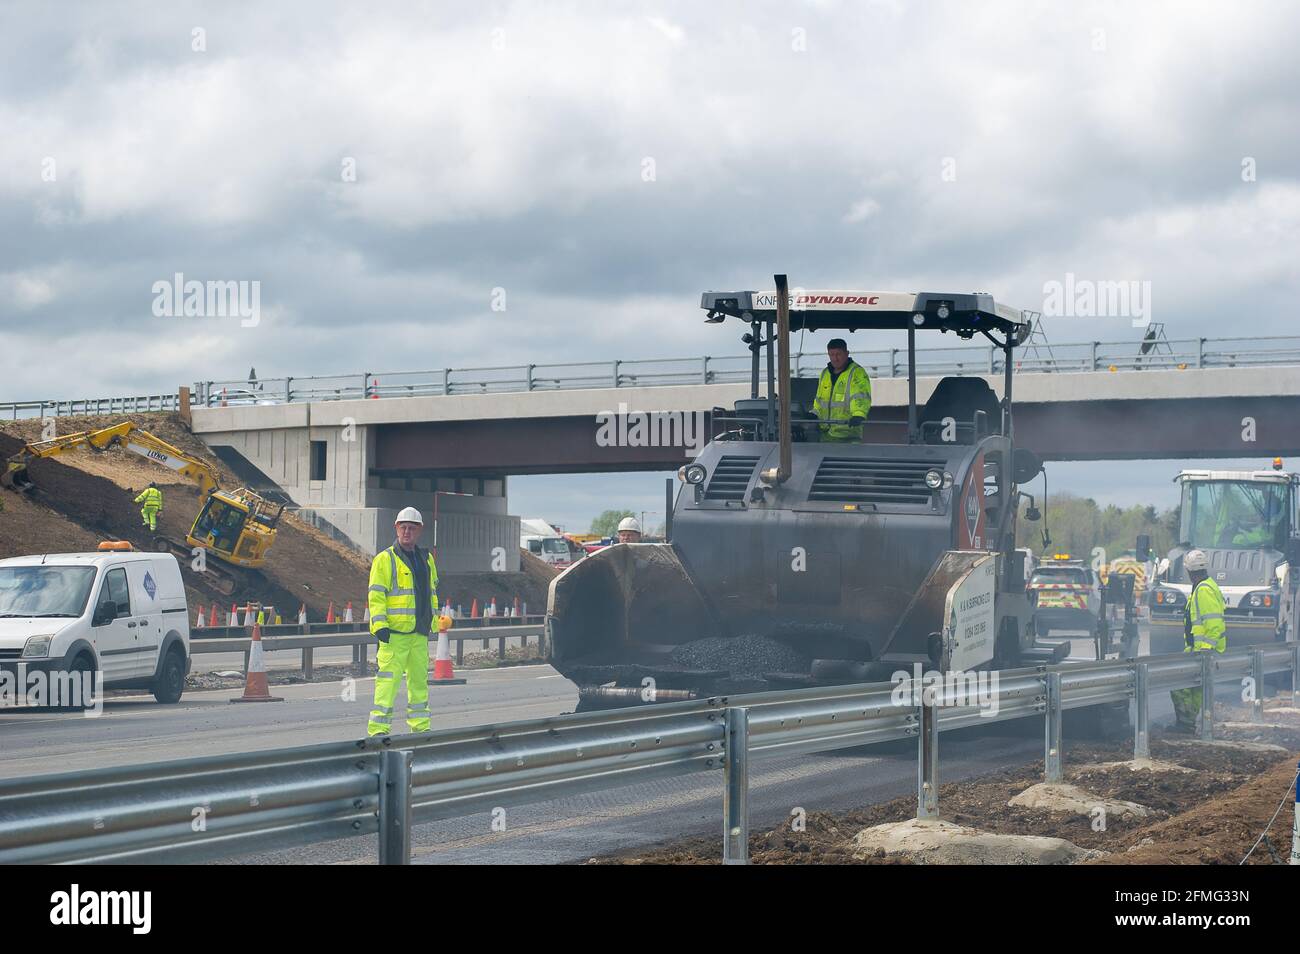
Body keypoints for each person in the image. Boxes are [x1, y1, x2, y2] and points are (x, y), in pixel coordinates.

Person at [366, 507, 450, 737]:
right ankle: (379, 731)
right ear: (396, 528)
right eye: (403, 527)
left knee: (419, 685)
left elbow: (431, 592)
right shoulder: (385, 559)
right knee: (387, 684)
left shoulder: (427, 559)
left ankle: (421, 729)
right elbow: (376, 595)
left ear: (419, 530)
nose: (407, 532)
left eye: (411, 528)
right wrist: (379, 625)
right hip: (393, 635)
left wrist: (434, 621)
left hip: (419, 634)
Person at [1169, 548, 1226, 734]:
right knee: (1194, 689)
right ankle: (1187, 724)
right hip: (1198, 650)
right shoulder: (1203, 586)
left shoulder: (1203, 590)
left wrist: (1206, 650)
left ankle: (1186, 724)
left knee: (1179, 684)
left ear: (1189, 570)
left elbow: (1214, 624)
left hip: (1203, 651)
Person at [812, 338, 872, 443]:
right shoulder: (825, 373)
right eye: (831, 355)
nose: (835, 358)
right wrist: (814, 413)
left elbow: (860, 397)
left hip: (848, 435)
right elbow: (819, 400)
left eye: (838, 354)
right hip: (825, 435)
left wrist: (858, 415)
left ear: (847, 353)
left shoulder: (857, 373)